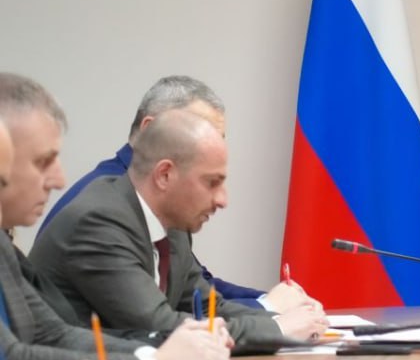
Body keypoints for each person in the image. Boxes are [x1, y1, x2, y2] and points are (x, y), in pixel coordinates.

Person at [0, 73, 232, 360]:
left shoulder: (4, 247)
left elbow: (51, 335)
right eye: (42, 161)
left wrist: (160, 355)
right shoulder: (99, 216)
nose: (59, 179)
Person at [30, 109, 329, 343]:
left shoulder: (171, 225)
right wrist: (278, 328)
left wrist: (290, 317)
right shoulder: (99, 222)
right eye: (211, 183)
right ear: (165, 175)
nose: (222, 200)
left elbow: (210, 308)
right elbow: (160, 327)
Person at [41, 75, 313, 312]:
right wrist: (268, 308)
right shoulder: (102, 208)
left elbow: (194, 288)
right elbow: (154, 320)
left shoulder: (164, 201)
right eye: (198, 132)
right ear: (150, 130)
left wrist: (268, 303)